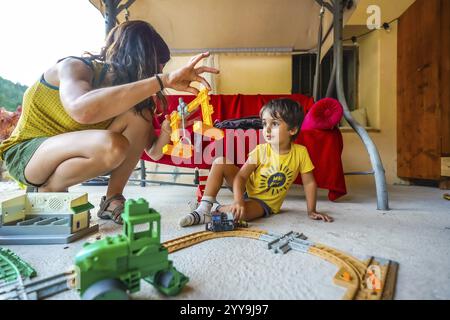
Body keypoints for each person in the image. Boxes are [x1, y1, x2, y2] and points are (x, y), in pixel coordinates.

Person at [0, 20, 219, 224]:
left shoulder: (132, 98)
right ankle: (46, 190)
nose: (159, 72)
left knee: (139, 118)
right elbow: (81, 109)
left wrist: (167, 128)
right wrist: (163, 81)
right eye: (157, 66)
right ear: (139, 59)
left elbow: (153, 152)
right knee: (112, 145)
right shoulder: (74, 67)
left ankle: (112, 199)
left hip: (66, 152)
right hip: (28, 155)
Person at [179, 98, 333, 227]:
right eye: (265, 123)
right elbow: (240, 177)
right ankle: (204, 206)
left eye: (275, 124)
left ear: (292, 130)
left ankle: (209, 213)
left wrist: (311, 210)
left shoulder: (301, 153)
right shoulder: (260, 150)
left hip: (264, 202)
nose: (266, 129)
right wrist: (238, 200)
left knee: (241, 214)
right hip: (245, 188)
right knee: (220, 161)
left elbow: (309, 183)